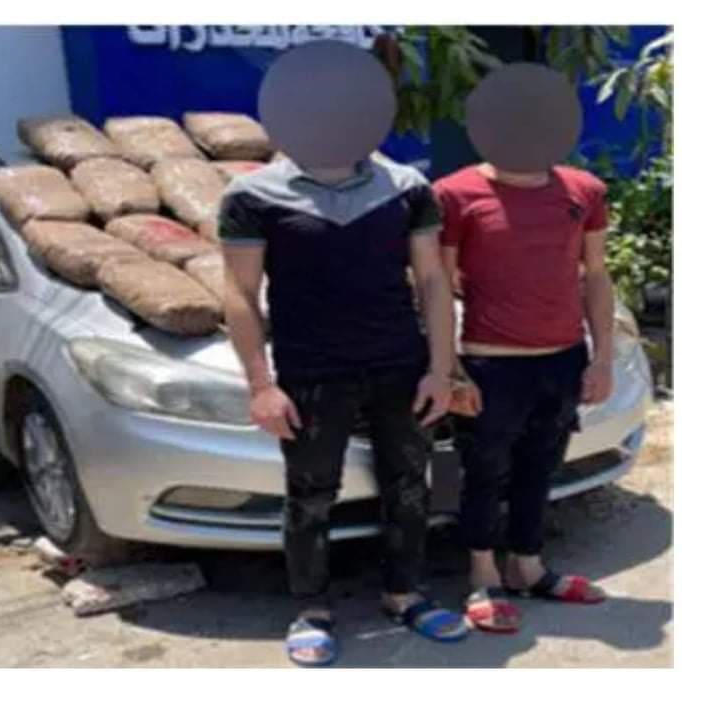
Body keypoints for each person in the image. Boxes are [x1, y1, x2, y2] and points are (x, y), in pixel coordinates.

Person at [220, 40, 468, 667]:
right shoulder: (253, 196)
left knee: (409, 486)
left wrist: (440, 370)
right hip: (311, 371)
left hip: (399, 365)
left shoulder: (406, 187)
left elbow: (432, 282)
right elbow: (240, 294)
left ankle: (405, 593)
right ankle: (312, 608)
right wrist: (261, 385)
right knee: (310, 495)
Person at [435, 63, 614, 634]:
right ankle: (482, 576)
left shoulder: (584, 191)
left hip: (562, 358)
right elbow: (435, 287)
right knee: (483, 473)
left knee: (541, 467)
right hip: (490, 363)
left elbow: (595, 276)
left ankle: (528, 567)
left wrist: (602, 357)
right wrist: (449, 368)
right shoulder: (455, 194)